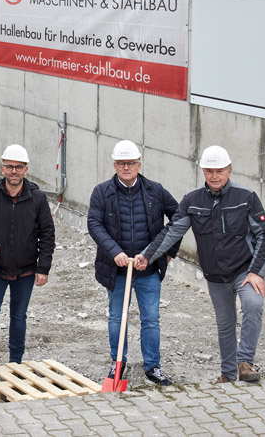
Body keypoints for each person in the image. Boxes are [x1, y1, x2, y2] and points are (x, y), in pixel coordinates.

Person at [134, 145, 265, 384]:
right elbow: (172, 232)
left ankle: (245, 363)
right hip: (214, 275)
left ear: (229, 170)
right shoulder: (193, 200)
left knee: (253, 304)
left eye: (219, 170)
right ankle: (228, 374)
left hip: (244, 271)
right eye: (209, 171)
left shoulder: (246, 197)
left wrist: (256, 272)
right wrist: (147, 255)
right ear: (203, 172)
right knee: (225, 324)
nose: (214, 176)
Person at [87, 140, 180, 386]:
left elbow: (179, 218)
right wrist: (114, 252)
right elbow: (94, 225)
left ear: (139, 165)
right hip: (116, 270)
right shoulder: (102, 192)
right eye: (121, 163)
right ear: (114, 165)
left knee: (150, 319)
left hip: (147, 269)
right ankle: (118, 363)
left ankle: (152, 367)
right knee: (117, 317)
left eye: (130, 163)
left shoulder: (155, 191)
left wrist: (166, 252)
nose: (126, 167)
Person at [0, 144, 55, 364]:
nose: (14, 171)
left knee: (19, 316)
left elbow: (47, 233)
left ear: (26, 170)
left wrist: (43, 267)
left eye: (19, 167)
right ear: (2, 169)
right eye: (10, 167)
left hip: (25, 270)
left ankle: (15, 363)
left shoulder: (37, 198)